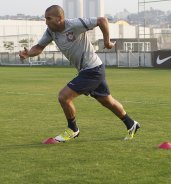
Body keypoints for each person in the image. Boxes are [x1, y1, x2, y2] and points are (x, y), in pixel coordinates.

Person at [19, 5, 140, 142]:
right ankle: (131, 124)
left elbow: (102, 20)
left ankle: (73, 129)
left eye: (48, 18)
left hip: (92, 70)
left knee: (63, 97)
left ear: (59, 18)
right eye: (45, 18)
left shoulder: (74, 24)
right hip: (91, 70)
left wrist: (107, 42)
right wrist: (28, 53)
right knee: (107, 101)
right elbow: (39, 47)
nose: (46, 21)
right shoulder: (51, 32)